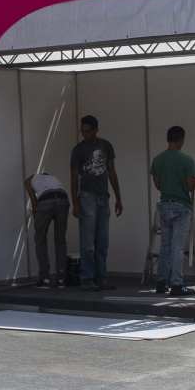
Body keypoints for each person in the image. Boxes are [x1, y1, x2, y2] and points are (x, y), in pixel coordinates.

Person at [70, 115, 123, 291]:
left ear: (95, 130)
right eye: (82, 131)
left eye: (87, 131)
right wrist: (75, 202)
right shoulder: (78, 150)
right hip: (87, 196)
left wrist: (118, 197)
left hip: (103, 196)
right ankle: (87, 278)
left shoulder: (106, 146)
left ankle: (101, 278)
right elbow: (73, 177)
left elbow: (112, 172)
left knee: (102, 240)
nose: (84, 134)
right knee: (87, 241)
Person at [150, 125, 195, 297]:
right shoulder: (187, 160)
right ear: (181, 140)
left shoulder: (157, 159)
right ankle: (177, 283)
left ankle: (161, 282)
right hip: (181, 206)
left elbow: (158, 184)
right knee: (177, 247)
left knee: (165, 245)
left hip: (164, 204)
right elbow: (190, 185)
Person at [25, 171, 70, 288]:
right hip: (63, 198)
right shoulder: (53, 177)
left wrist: (36, 214)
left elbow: (34, 202)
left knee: (40, 239)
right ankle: (61, 279)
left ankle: (44, 279)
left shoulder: (30, 180)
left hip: (46, 200)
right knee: (60, 240)